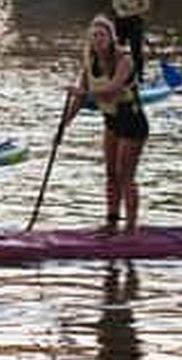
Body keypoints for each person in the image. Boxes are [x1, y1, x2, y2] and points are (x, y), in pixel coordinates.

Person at [64, 15, 149, 234]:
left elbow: (112, 89)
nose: (98, 39)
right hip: (111, 120)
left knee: (125, 174)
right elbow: (80, 99)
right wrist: (65, 124)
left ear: (111, 38)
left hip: (132, 120)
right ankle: (112, 222)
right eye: (94, 35)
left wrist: (82, 92)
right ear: (90, 40)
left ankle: (131, 228)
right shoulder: (89, 62)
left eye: (102, 35)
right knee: (111, 172)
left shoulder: (124, 60)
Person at [93, 0, 149, 80]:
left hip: (135, 21)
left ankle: (139, 77)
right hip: (119, 22)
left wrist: (129, 13)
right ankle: (115, 75)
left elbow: (146, 6)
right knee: (116, 50)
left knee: (136, 51)